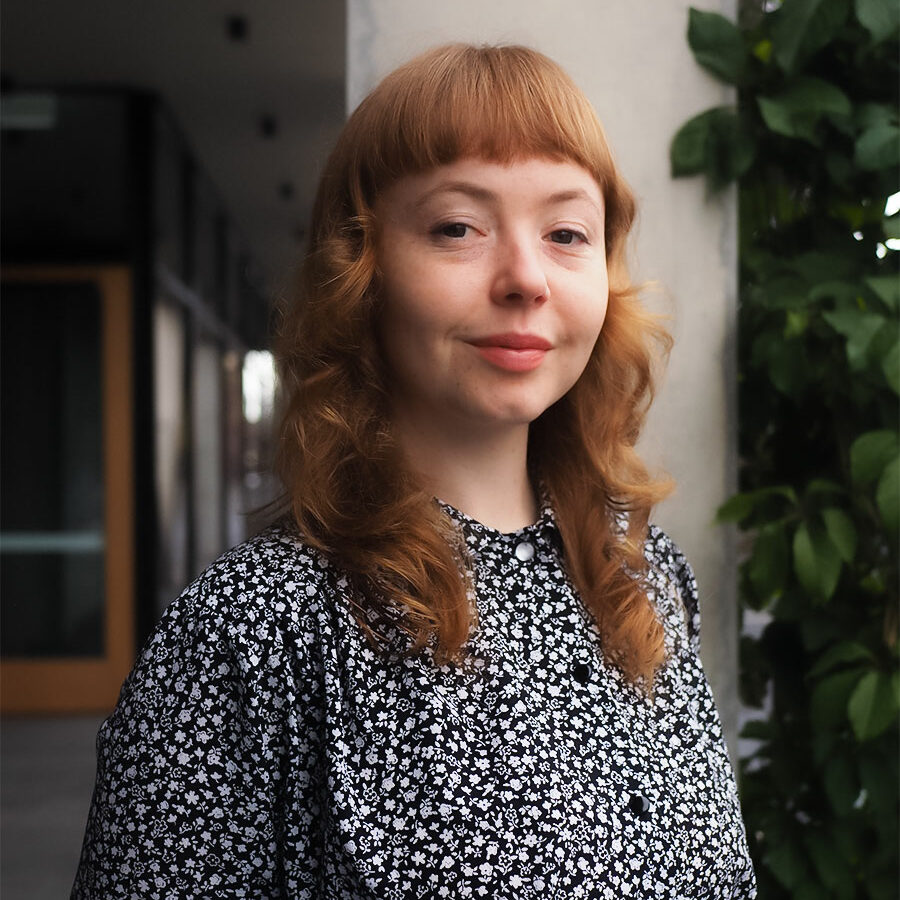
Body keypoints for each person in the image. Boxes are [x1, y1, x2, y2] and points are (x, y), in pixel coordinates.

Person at [72, 44, 756, 899]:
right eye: (458, 227)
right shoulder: (251, 634)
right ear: (361, 271)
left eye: (567, 233)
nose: (525, 278)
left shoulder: (645, 586)